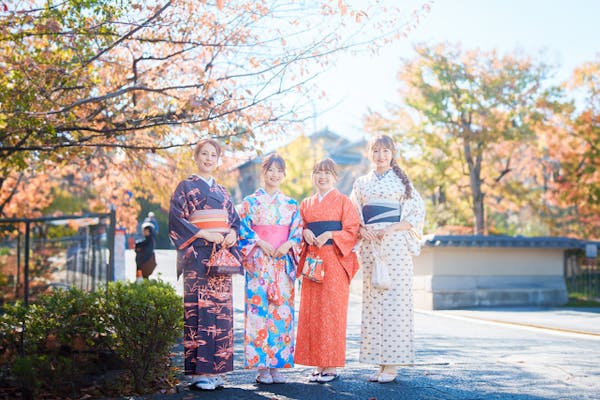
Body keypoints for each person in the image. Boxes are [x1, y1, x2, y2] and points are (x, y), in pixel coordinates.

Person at [350, 134, 425, 384]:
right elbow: (353, 215)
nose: (380, 156)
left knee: (395, 302)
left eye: (385, 151)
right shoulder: (361, 183)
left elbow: (415, 213)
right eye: (376, 151)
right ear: (369, 153)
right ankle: (379, 361)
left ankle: (392, 364)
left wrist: (390, 229)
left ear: (392, 153)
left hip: (395, 246)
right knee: (374, 302)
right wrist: (362, 230)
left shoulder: (402, 183)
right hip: (372, 245)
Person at [168, 138, 242, 391]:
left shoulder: (222, 191)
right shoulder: (185, 187)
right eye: (204, 154)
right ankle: (200, 373)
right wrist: (201, 234)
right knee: (200, 312)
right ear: (196, 157)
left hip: (220, 256)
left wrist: (232, 233)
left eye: (213, 155)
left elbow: (234, 221)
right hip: (198, 257)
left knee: (221, 311)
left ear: (218, 159)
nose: (209, 159)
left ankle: (218, 371)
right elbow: (176, 220)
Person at [237, 153, 303, 385]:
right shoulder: (249, 203)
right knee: (258, 313)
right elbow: (243, 230)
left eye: (279, 171)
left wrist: (288, 244)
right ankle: (261, 366)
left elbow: (297, 232)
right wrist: (259, 242)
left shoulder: (291, 205)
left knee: (281, 312)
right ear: (262, 173)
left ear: (284, 175)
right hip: (258, 262)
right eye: (270, 170)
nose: (274, 175)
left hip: (282, 262)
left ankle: (277, 365)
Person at [295, 158, 360, 383]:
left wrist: (331, 234)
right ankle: (317, 364)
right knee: (313, 312)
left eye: (326, 173)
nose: (322, 177)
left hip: (334, 261)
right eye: (318, 173)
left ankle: (331, 365)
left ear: (335, 177)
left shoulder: (343, 202)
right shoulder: (306, 203)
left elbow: (353, 230)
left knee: (332, 312)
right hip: (313, 259)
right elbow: (299, 226)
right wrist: (304, 233)